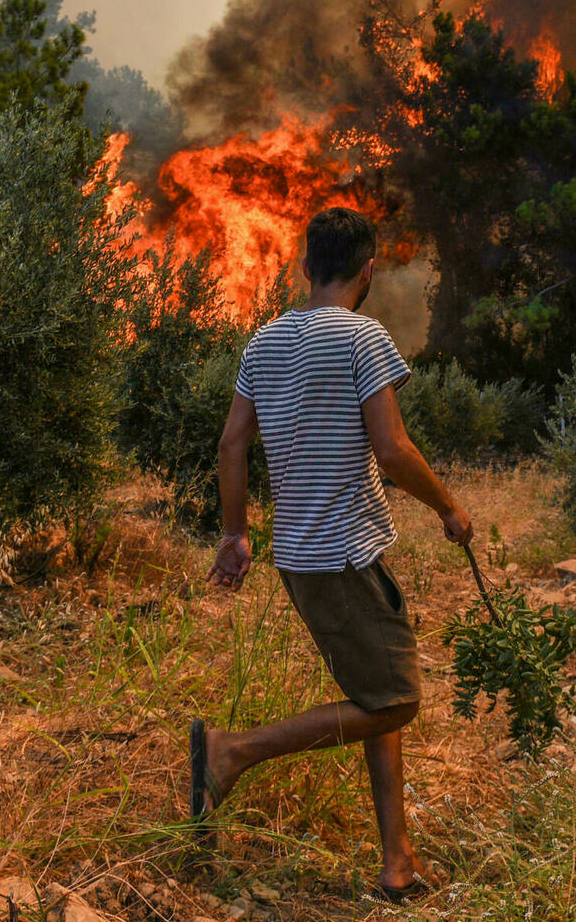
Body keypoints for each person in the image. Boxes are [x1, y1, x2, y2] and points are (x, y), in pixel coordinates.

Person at [190, 206, 474, 903]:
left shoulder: (263, 342)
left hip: (300, 558)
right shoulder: (363, 337)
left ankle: (396, 865)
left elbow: (231, 445)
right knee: (398, 699)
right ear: (367, 271)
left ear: (306, 267)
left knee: (371, 695)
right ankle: (232, 753)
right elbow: (392, 447)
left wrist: (236, 534)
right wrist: (448, 507)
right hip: (346, 555)